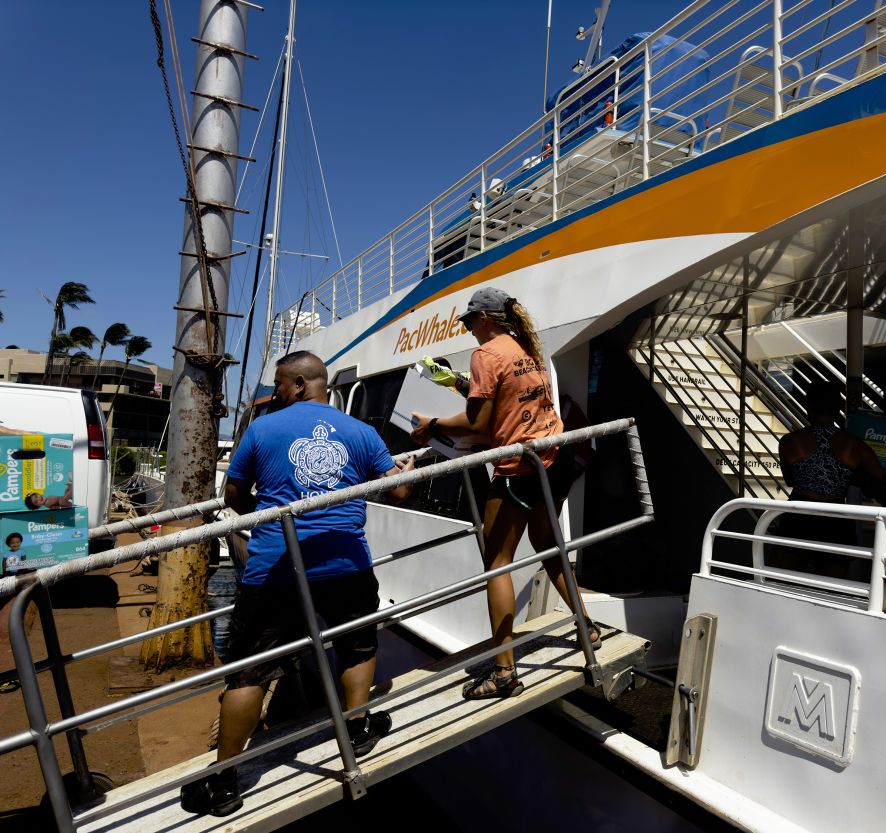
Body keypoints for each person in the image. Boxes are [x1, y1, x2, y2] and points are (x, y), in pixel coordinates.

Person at [181, 351, 413, 817]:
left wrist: (269, 511)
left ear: (302, 384)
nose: (277, 392)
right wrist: (401, 474)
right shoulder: (362, 433)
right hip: (345, 564)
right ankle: (357, 728)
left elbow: (234, 496)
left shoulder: (263, 430)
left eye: (281, 384)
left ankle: (224, 782)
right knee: (357, 647)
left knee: (250, 671)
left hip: (276, 568)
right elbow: (399, 489)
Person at [410, 287, 598, 700]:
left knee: (496, 563)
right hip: (556, 457)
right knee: (548, 545)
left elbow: (479, 426)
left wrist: (433, 426)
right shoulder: (524, 348)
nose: (469, 329)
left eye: (470, 321)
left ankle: (504, 672)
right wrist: (457, 383)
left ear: (486, 319)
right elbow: (506, 399)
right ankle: (588, 626)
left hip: (520, 469)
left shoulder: (487, 353)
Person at [776, 381, 886, 576]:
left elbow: (790, 480)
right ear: (837, 410)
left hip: (798, 516)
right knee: (834, 587)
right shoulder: (856, 445)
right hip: (835, 519)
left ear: (808, 407)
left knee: (782, 581)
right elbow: (885, 481)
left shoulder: (789, 442)